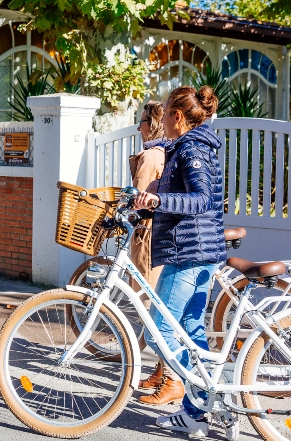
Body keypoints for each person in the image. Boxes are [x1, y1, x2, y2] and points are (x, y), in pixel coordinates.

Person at [132, 86, 227, 437]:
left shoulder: (191, 149)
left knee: (159, 332)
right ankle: (196, 413)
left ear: (176, 116)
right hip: (199, 250)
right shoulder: (190, 147)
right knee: (190, 329)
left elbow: (200, 199)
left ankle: (205, 394)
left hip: (189, 252)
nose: (161, 123)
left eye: (167, 114)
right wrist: (152, 196)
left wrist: (159, 202)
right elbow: (186, 193)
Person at [126, 101, 178, 405]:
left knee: (149, 306)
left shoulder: (149, 157)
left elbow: (141, 200)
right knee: (156, 303)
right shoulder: (166, 152)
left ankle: (169, 378)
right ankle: (161, 371)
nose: (139, 127)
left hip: (147, 238)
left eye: (143, 121)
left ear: (154, 123)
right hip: (161, 237)